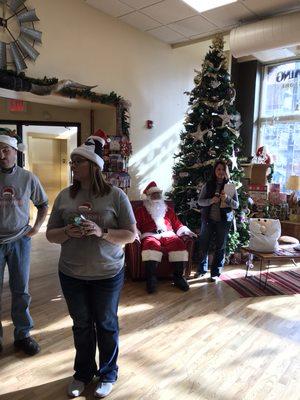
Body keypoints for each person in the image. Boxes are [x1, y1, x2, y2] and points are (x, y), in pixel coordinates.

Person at [46, 129, 136, 398]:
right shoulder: (64, 196)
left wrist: (103, 233)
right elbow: (51, 234)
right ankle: (83, 374)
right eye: (72, 161)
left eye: (77, 161)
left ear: (94, 166)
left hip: (108, 273)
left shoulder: (116, 196)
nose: (72, 165)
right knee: (82, 325)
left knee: (106, 324)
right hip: (71, 273)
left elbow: (131, 235)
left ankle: (108, 373)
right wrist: (66, 233)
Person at [0, 128, 48, 355]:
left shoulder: (27, 177)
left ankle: (23, 334)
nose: (1, 155)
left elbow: (43, 204)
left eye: (5, 150)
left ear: (14, 152)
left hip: (20, 240)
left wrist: (36, 228)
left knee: (21, 290)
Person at [135, 181, 196, 294]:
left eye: (158, 194)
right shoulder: (141, 211)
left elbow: (177, 224)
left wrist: (186, 231)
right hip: (150, 235)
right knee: (150, 246)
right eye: (154, 194)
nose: (157, 196)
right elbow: (135, 226)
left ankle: (178, 277)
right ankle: (151, 279)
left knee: (179, 244)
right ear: (148, 197)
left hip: (168, 234)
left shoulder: (168, 210)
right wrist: (136, 233)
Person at [195, 160, 239, 281]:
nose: (220, 172)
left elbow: (236, 205)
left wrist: (228, 199)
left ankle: (215, 273)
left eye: (223, 169)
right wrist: (211, 201)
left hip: (224, 221)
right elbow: (200, 201)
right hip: (208, 220)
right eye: (218, 169)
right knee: (203, 244)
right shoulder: (207, 185)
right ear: (215, 171)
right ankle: (201, 270)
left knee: (220, 246)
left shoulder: (231, 186)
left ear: (226, 171)